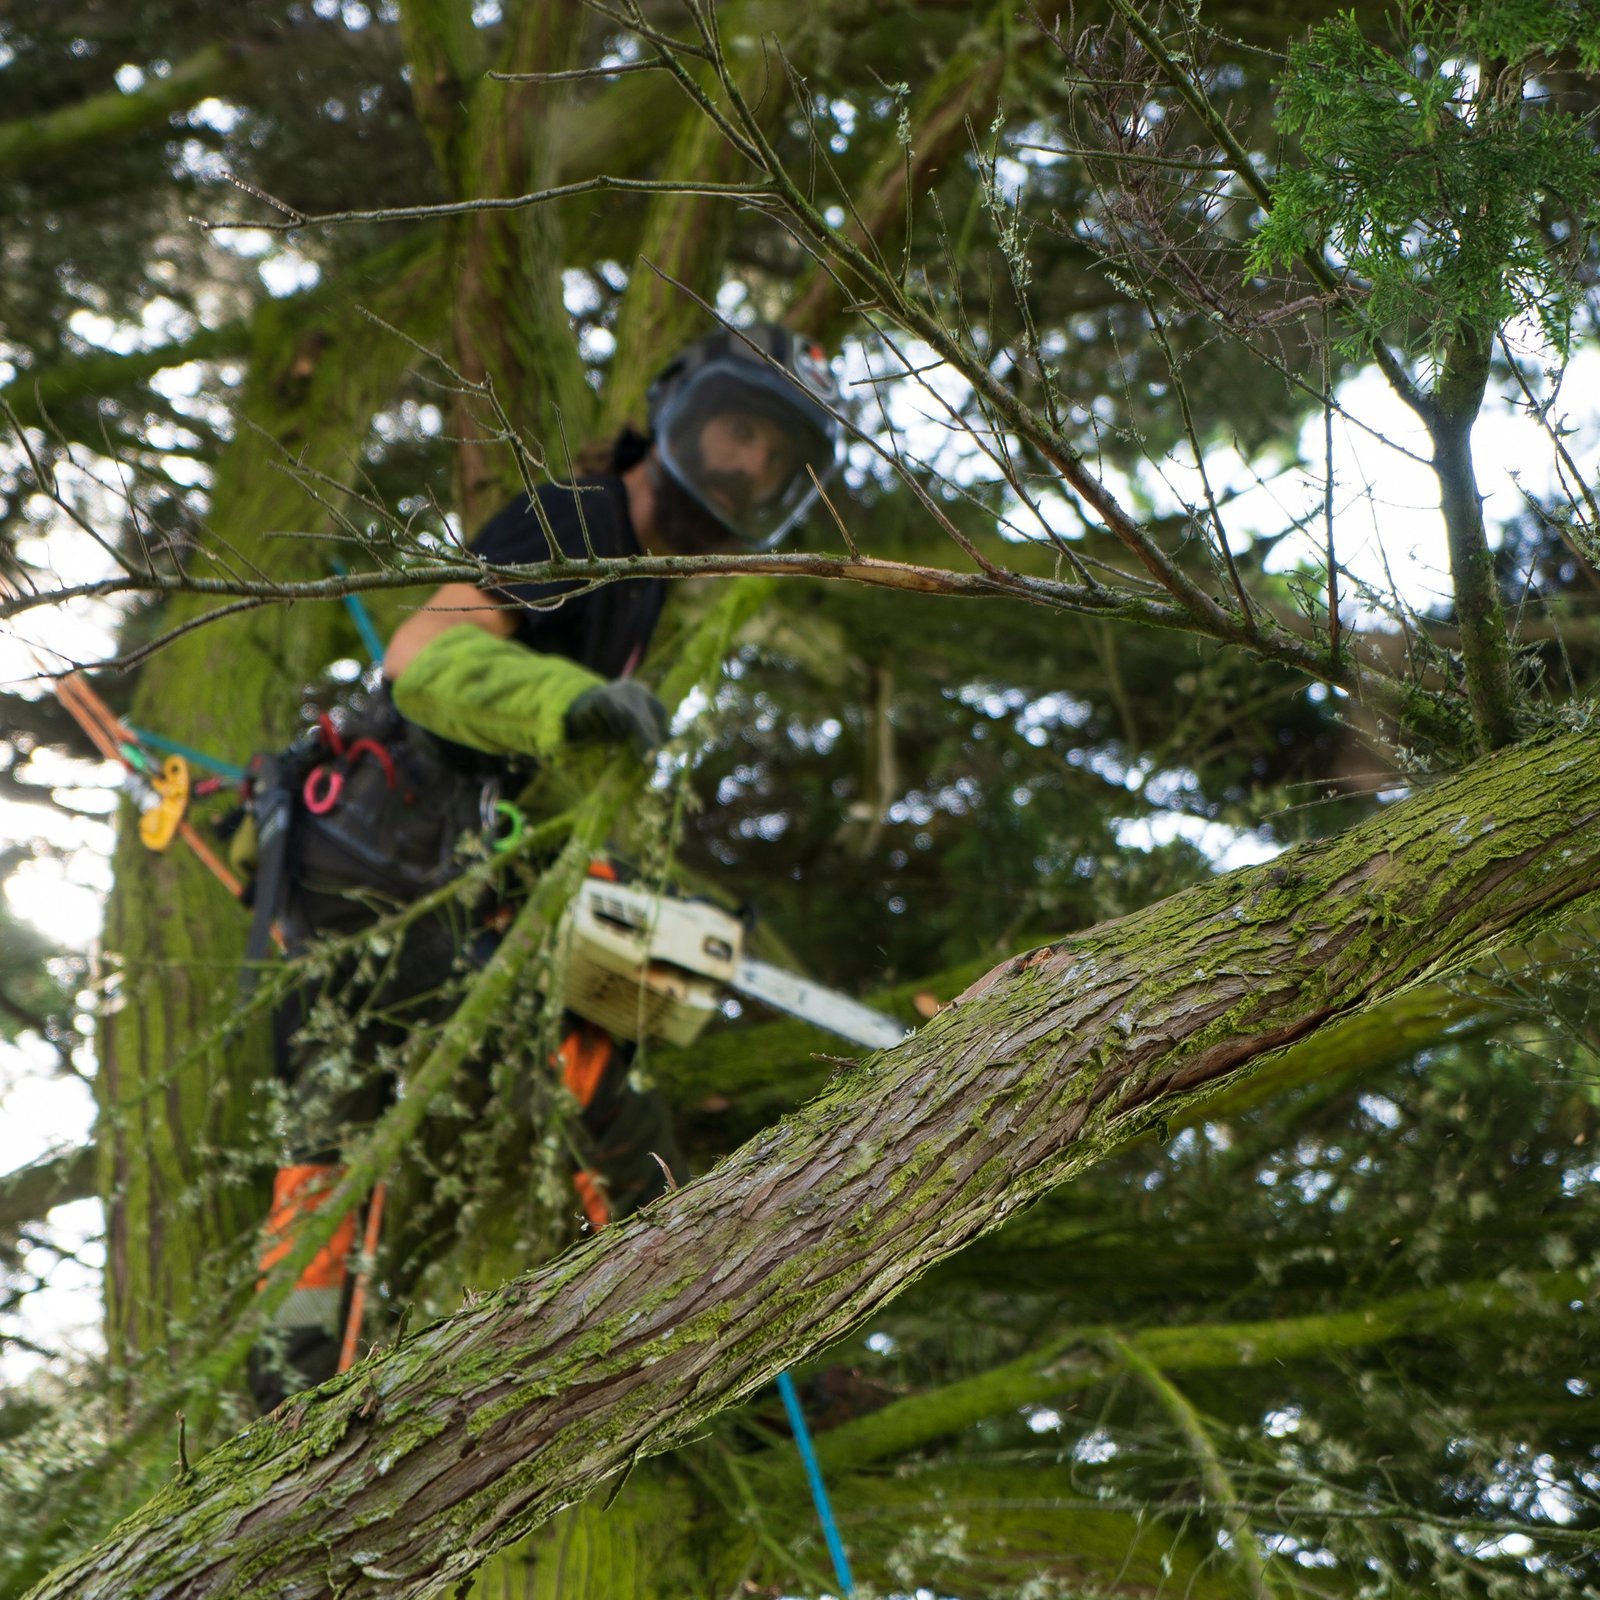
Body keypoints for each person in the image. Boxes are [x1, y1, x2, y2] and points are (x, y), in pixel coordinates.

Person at [248, 322, 843, 1410]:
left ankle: (651, 1339)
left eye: (774, 458)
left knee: (574, 1098)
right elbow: (424, 658)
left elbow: (554, 787)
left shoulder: (645, 586)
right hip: (381, 865)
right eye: (739, 429)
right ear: (679, 409)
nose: (747, 464)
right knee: (362, 1147)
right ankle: (292, 1409)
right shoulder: (579, 520)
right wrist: (565, 706)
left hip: (459, 883)